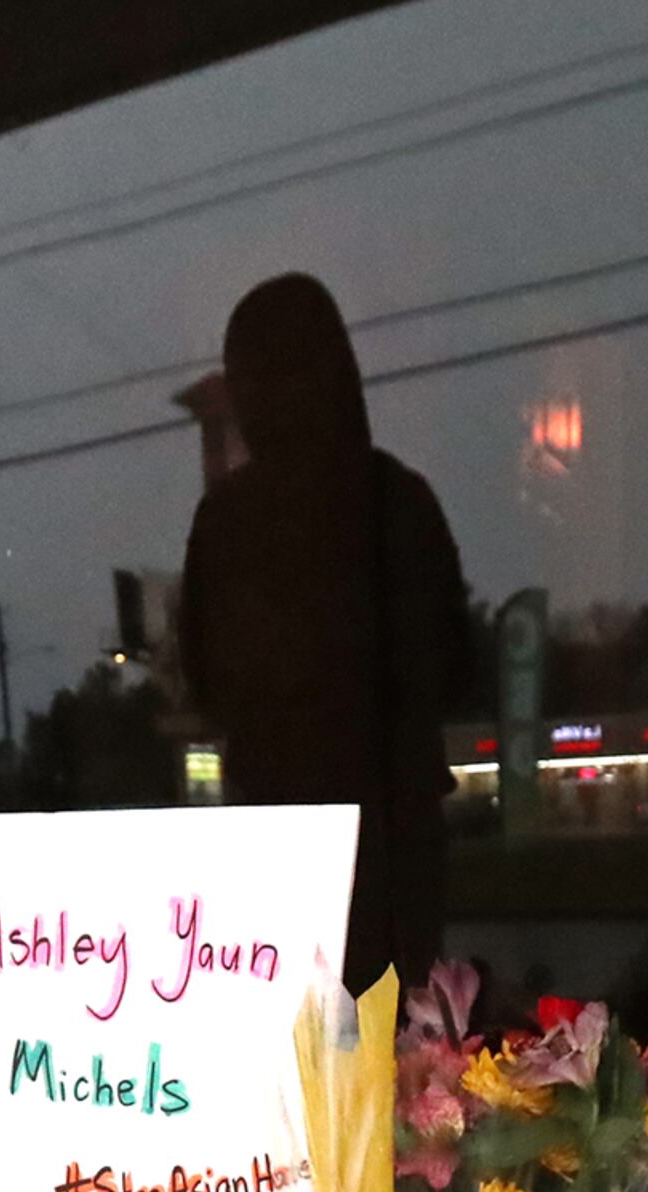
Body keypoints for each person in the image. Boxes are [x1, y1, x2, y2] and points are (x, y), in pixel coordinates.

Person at [178, 275, 472, 991]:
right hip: (396, 838)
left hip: (282, 840)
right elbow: (456, 666)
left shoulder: (226, 523)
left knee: (301, 1037)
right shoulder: (399, 499)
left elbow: (206, 685)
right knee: (402, 1035)